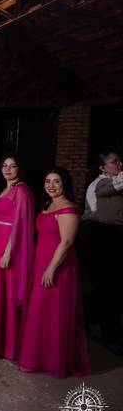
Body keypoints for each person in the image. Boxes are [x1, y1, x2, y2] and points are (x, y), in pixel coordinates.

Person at [19, 168, 91, 377]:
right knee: (40, 312)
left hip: (58, 266)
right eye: (48, 181)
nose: (51, 185)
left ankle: (54, 361)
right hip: (41, 263)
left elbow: (67, 242)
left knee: (54, 313)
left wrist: (51, 268)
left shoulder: (69, 209)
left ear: (64, 184)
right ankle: (38, 358)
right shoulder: (48, 205)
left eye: (56, 181)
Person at [0, 154, 35, 360]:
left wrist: (8, 252)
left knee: (8, 295)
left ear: (20, 169)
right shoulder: (6, 189)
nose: (8, 169)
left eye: (13, 166)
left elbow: (19, 225)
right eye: (5, 165)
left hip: (9, 247)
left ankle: (10, 346)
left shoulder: (21, 190)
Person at [82, 151, 123, 352]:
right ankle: (110, 335)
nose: (119, 164)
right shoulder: (101, 183)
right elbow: (116, 185)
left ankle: (92, 322)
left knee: (106, 287)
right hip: (100, 237)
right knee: (107, 286)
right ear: (102, 168)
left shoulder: (113, 182)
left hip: (111, 236)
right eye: (115, 162)